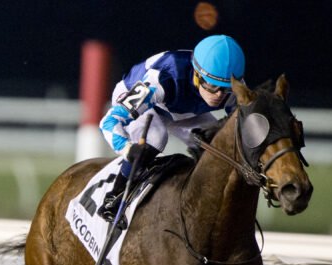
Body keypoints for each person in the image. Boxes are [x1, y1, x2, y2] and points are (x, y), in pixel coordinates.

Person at [98, 34, 245, 215]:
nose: (220, 95)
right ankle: (114, 196)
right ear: (197, 75)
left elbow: (243, 126)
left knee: (217, 145)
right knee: (156, 137)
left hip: (180, 111)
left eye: (227, 88)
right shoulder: (163, 78)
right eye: (213, 86)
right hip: (144, 102)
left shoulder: (233, 86)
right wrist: (128, 149)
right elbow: (108, 122)